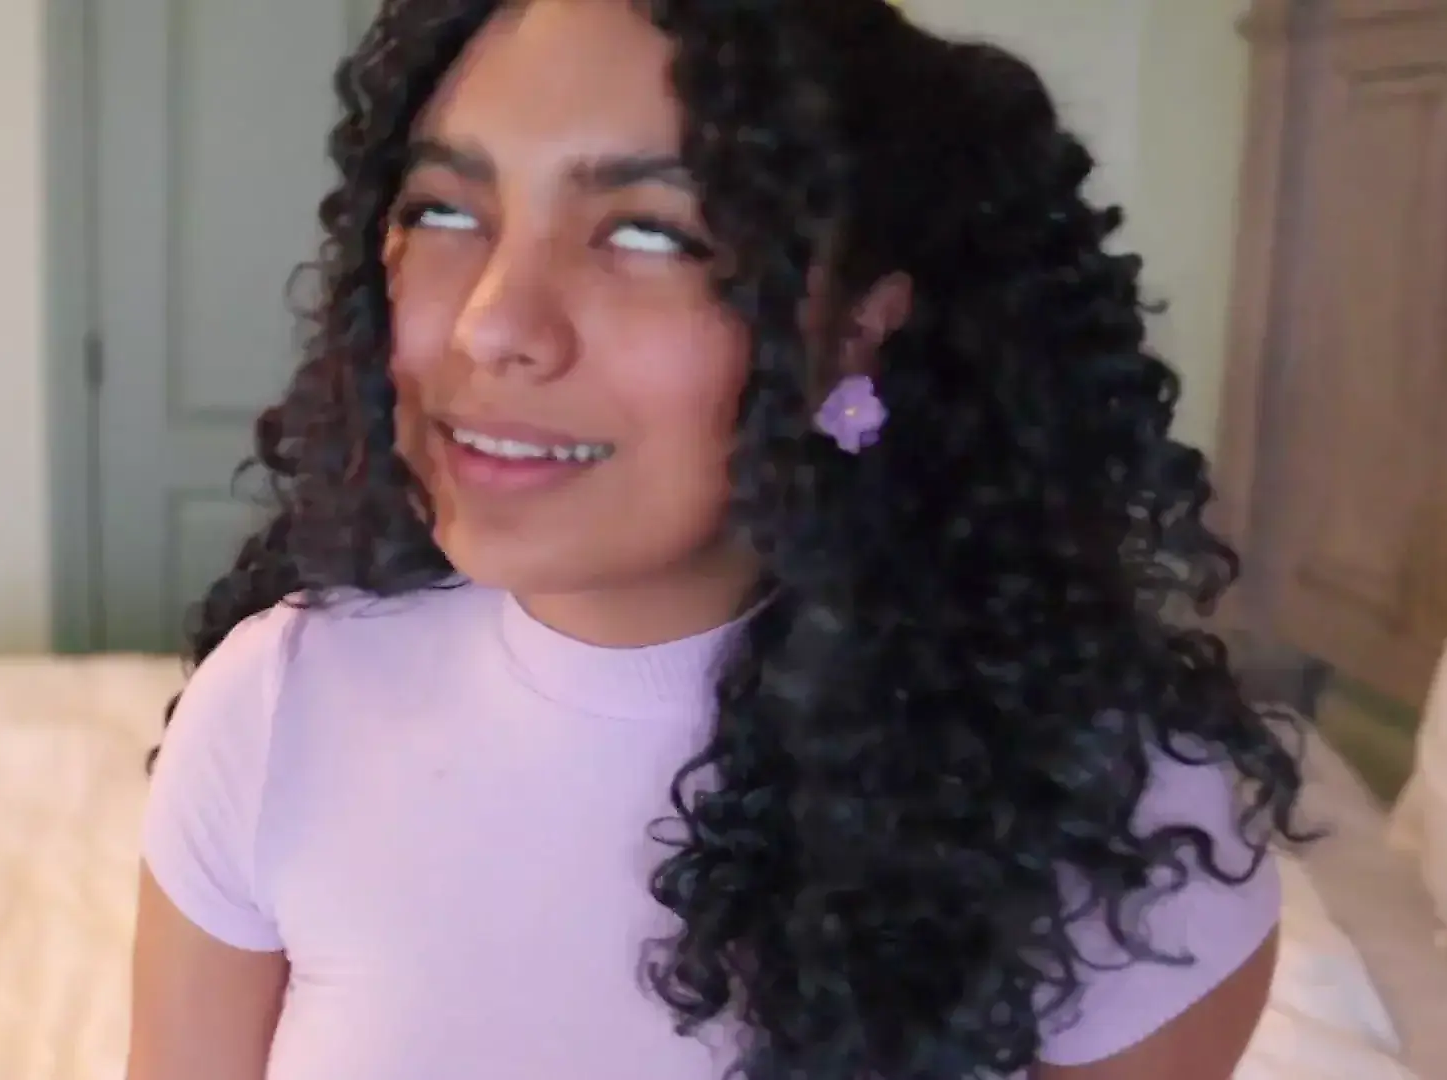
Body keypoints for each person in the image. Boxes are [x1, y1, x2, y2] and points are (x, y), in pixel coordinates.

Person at [128, 1, 1308, 1078]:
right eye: (444, 211)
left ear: (854, 331)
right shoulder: (281, 705)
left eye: (649, 234)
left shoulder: (1124, 819)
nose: (493, 325)